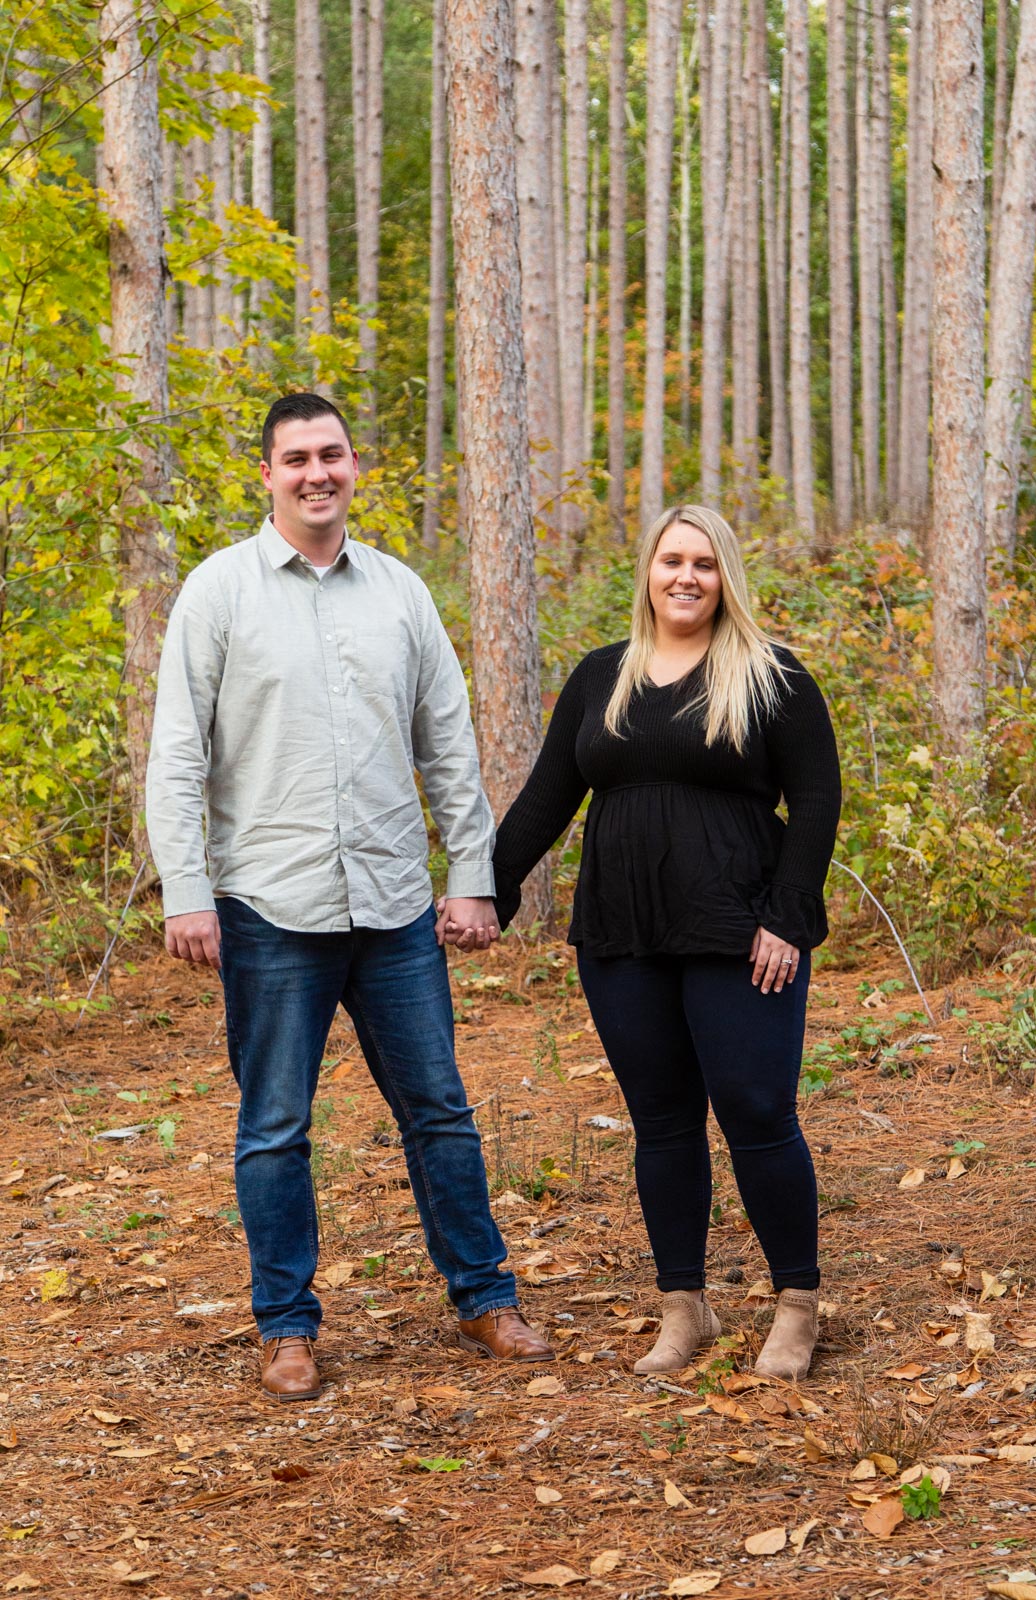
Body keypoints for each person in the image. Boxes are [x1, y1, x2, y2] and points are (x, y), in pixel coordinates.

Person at [146, 392, 552, 1401]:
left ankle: (484, 1295)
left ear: (353, 465)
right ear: (268, 474)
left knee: (440, 1110)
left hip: (392, 910)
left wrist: (472, 876)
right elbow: (177, 754)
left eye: (330, 453)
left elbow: (448, 747)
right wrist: (186, 890)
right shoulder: (217, 593)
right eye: (296, 458)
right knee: (274, 1124)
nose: (315, 473)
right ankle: (286, 1325)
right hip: (267, 907)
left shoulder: (399, 594)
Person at [491, 505, 841, 1381]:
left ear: (726, 578)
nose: (685, 577)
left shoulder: (771, 676)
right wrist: (482, 889)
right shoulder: (601, 675)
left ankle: (795, 1306)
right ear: (646, 572)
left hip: (739, 931)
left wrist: (787, 918)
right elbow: (545, 799)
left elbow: (817, 800)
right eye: (670, 560)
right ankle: (683, 1305)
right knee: (662, 1122)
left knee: (757, 1113)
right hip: (623, 931)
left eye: (704, 564)